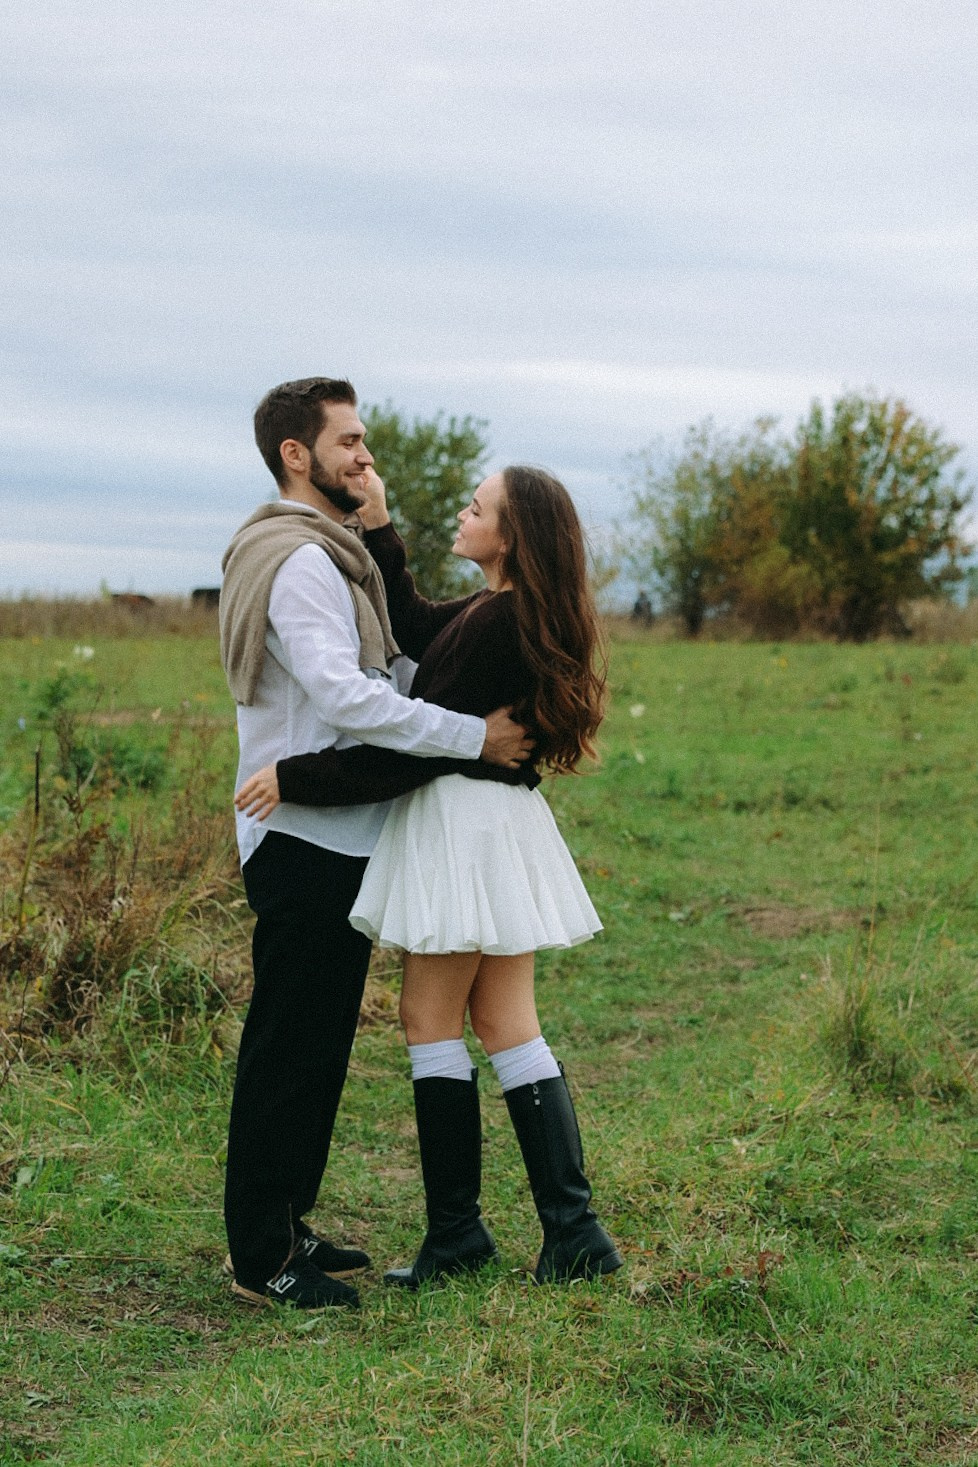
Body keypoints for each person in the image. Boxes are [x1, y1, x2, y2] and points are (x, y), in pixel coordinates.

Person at [236, 464, 623, 1288]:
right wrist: (381, 530)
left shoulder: (496, 623)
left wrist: (296, 777)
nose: (463, 511)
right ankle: (574, 1230)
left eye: (476, 507)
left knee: (427, 1016)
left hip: (463, 826)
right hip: (503, 826)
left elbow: (407, 746)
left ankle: (459, 1232)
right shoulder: (500, 611)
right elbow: (416, 625)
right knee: (510, 1022)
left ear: (510, 537)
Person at [218, 378, 533, 1312]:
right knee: (287, 1045)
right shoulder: (305, 564)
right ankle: (260, 1255)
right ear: (296, 455)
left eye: (364, 440)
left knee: (318, 1047)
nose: (366, 456)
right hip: (302, 834)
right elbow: (348, 698)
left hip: (341, 832)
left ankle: (289, 1221)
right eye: (348, 442)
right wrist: (474, 735)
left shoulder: (338, 554)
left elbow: (391, 663)